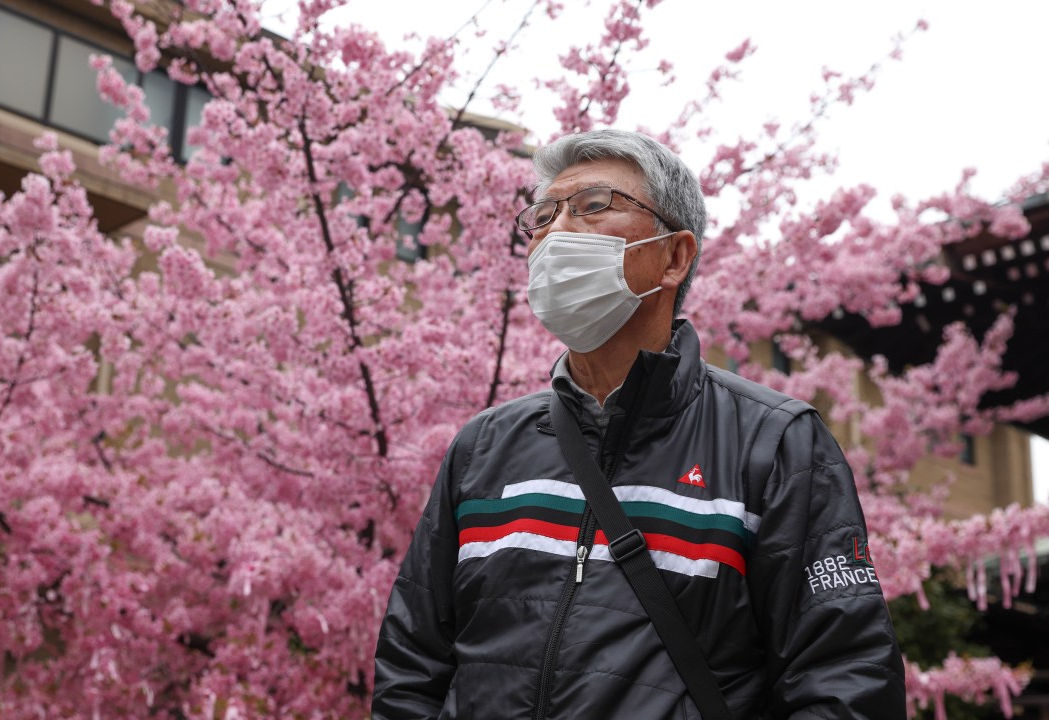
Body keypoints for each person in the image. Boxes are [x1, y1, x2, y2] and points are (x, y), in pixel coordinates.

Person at [372, 129, 905, 719]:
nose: (556, 231)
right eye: (544, 214)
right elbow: (411, 664)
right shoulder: (484, 447)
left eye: (593, 206)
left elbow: (844, 678)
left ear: (674, 257)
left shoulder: (773, 443)